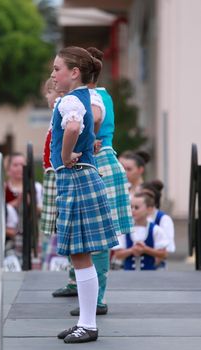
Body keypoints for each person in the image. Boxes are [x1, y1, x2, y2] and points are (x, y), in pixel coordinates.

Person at [50, 46, 119, 343]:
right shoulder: (87, 97)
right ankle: (85, 321)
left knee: (80, 255)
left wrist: (66, 155)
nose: (53, 75)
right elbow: (95, 122)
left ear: (74, 72)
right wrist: (90, 143)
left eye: (57, 69)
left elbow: (75, 126)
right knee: (80, 255)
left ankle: (88, 324)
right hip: (81, 178)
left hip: (76, 178)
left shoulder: (69, 102)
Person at [65, 47, 133, 317]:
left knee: (98, 238)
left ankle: (97, 299)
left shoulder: (94, 96)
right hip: (101, 160)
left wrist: (84, 139)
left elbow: (92, 117)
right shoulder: (97, 94)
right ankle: (91, 296)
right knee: (92, 237)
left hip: (98, 160)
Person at [40, 78, 68, 271]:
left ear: (58, 93)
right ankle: (53, 257)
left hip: (57, 171)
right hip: (53, 169)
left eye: (48, 93)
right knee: (54, 222)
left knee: (54, 221)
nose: (47, 98)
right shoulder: (57, 112)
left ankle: (53, 257)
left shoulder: (61, 106)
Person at [4, 152, 43, 267]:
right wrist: (16, 203)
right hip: (9, 237)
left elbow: (43, 211)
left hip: (32, 235)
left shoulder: (36, 187)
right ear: (8, 168)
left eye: (22, 165)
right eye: (15, 165)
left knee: (33, 268)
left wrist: (31, 204)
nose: (20, 168)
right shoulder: (4, 187)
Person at [113, 192, 168, 270]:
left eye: (136, 207)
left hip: (150, 276)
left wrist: (145, 249)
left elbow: (164, 254)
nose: (133, 210)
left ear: (149, 209)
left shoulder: (156, 230)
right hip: (128, 277)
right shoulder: (125, 230)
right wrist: (132, 250)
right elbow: (118, 254)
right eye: (131, 207)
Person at [140, 180, 175, 269]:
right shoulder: (134, 218)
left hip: (156, 270)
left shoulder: (163, 219)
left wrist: (145, 250)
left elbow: (166, 250)